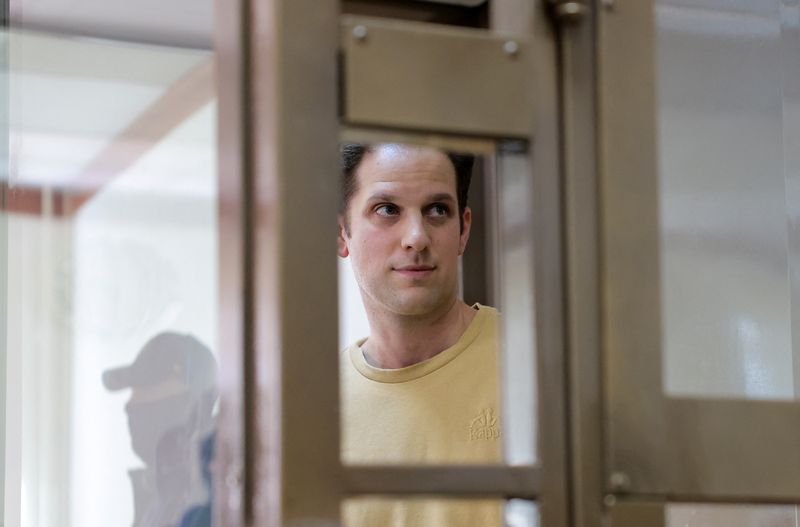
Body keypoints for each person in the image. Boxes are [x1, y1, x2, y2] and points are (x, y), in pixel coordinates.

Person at [338, 143, 503, 526]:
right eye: (387, 210)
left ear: (463, 230)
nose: (416, 237)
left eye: (437, 211)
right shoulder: (314, 412)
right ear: (341, 233)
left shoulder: (531, 364)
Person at [103, 332, 218, 527]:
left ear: (191, 402)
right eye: (133, 391)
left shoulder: (217, 490)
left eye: (147, 388)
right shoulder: (160, 501)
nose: (130, 404)